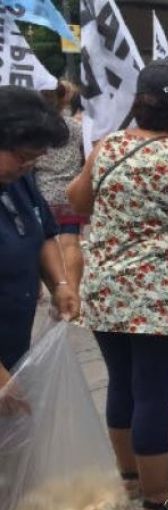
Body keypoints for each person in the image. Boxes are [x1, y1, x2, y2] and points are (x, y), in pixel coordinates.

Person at [66, 59, 168, 510]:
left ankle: (131, 478)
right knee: (153, 394)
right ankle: (159, 500)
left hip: (106, 289)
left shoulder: (109, 146)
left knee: (122, 382)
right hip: (157, 296)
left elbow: (77, 200)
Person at [0, 86, 77, 396]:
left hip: (13, 346)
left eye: (35, 159)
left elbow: (44, 232)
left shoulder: (18, 181)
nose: (28, 166)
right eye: (23, 157)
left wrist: (60, 283)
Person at [35, 81, 86, 291]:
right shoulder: (75, 127)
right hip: (70, 193)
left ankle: (42, 288)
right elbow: (85, 155)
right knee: (70, 242)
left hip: (42, 192)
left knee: (40, 243)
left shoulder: (35, 128)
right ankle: (72, 288)